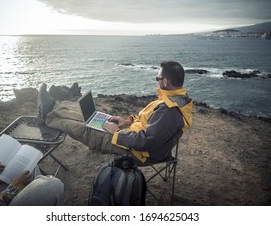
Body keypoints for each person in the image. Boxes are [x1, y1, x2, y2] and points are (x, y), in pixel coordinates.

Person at [41, 61, 193, 164]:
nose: (158, 81)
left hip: (138, 152)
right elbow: (149, 125)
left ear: (166, 81)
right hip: (131, 136)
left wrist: (117, 133)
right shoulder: (174, 100)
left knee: (84, 129)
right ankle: (53, 107)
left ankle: (47, 117)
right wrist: (127, 122)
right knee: (88, 117)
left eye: (158, 78)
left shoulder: (170, 110)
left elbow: (147, 141)